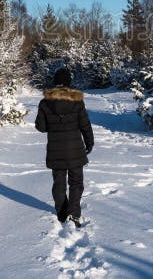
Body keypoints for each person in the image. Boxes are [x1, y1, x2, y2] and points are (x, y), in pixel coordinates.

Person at [35, 68, 94, 227]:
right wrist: (90, 142)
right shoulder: (77, 101)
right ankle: (74, 213)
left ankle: (61, 213)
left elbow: (41, 127)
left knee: (58, 183)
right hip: (75, 148)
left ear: (55, 82)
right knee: (76, 182)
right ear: (69, 82)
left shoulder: (45, 103)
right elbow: (85, 125)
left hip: (55, 150)